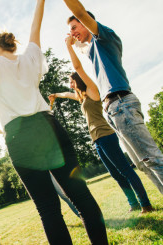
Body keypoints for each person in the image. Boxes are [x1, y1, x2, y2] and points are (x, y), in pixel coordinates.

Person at [0, 1, 108, 244]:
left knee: (48, 208)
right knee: (80, 194)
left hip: (19, 136)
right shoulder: (31, 56)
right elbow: (37, 24)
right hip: (48, 127)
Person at [62, 0, 163, 194]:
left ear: (87, 22)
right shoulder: (93, 50)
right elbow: (77, 66)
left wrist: (78, 24)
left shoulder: (105, 38)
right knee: (142, 165)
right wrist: (71, 45)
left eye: (74, 27)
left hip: (121, 103)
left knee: (153, 159)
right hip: (114, 110)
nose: (72, 32)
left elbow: (81, 13)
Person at [49, 35, 153, 213]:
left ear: (79, 80)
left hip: (106, 135)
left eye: (72, 81)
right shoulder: (82, 98)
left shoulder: (93, 92)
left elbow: (78, 67)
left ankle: (145, 203)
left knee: (125, 170)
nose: (70, 84)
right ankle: (133, 203)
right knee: (115, 174)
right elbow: (68, 94)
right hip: (96, 140)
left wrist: (69, 48)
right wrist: (56, 95)